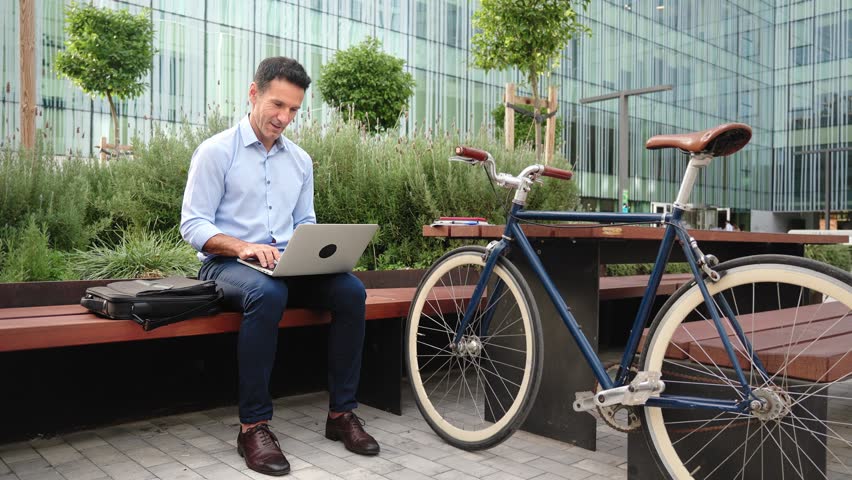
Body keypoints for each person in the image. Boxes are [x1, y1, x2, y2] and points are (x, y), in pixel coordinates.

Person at [180, 57, 379, 477]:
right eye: (277, 105)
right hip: (225, 265)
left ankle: (341, 414)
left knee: (350, 292)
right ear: (253, 93)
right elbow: (194, 224)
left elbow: (304, 221)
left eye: (294, 110)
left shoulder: (300, 161)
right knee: (267, 294)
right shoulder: (216, 152)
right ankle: (253, 426)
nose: (284, 118)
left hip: (286, 265)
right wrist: (244, 247)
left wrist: (311, 249)